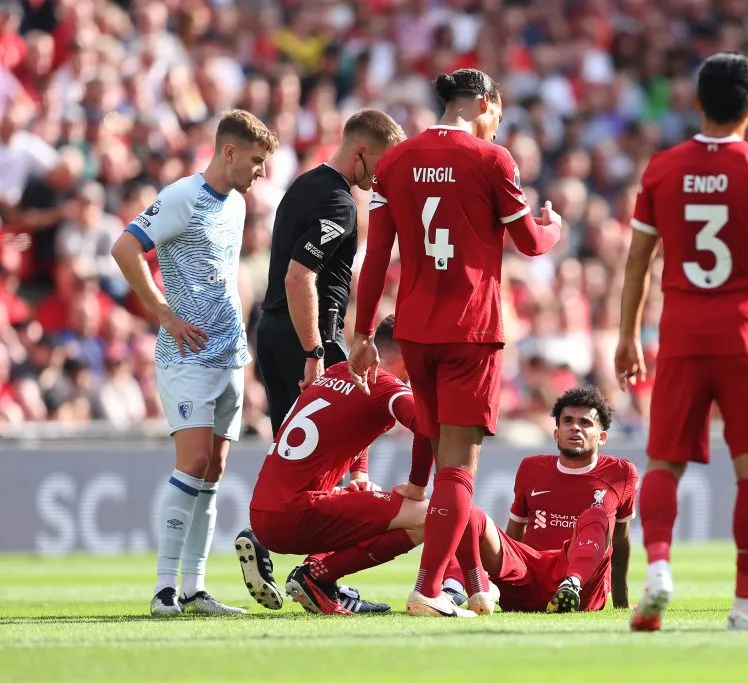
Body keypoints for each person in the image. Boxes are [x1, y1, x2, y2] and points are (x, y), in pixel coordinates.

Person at [615, 53, 748, 632]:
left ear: (697, 103)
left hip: (681, 332)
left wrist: (629, 333)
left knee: (663, 460)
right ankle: (745, 605)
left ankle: (658, 569)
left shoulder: (662, 167)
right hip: (746, 332)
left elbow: (638, 261)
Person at [349, 68, 562, 617]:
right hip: (471, 330)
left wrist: (365, 332)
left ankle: (472, 583)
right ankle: (427, 587)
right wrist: (552, 225)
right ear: (487, 103)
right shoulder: (493, 160)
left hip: (416, 333)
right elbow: (531, 244)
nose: (498, 124)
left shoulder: (395, 161)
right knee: (458, 469)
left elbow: (375, 259)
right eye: (499, 112)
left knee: (443, 456)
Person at [110, 109, 278, 616]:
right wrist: (163, 312)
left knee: (215, 467)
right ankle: (165, 587)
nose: (260, 172)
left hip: (228, 355)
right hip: (187, 356)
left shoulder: (236, 207)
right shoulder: (183, 196)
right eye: (255, 161)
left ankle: (196, 587)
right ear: (228, 152)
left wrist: (243, 360)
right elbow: (124, 247)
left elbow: (228, 279)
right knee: (192, 461)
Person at [236, 315, 440, 616]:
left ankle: (316, 573)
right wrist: (417, 486)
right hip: (298, 513)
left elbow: (357, 419)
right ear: (412, 354)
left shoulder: (338, 371)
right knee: (429, 516)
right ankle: (317, 576)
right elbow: (426, 426)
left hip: (263, 513)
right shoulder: (386, 385)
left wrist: (359, 474)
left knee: (368, 506)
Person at [257, 109, 406, 436]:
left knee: (287, 455)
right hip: (308, 339)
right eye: (382, 164)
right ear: (361, 152)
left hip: (273, 331)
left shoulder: (302, 185)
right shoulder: (339, 204)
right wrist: (315, 352)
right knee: (325, 457)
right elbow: (298, 277)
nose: (382, 176)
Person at [443, 386, 637, 615]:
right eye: (567, 421)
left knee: (595, 516)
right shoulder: (531, 467)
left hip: (583, 585)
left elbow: (621, 541)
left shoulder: (621, 472)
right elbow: (512, 536)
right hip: (529, 575)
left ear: (602, 437)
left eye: (585, 422)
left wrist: (622, 603)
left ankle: (570, 585)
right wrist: (498, 573)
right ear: (556, 433)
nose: (575, 427)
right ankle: (451, 591)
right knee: (470, 515)